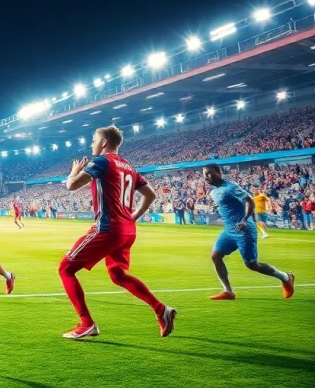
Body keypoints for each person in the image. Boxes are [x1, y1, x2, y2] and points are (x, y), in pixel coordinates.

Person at [58, 125, 176, 340]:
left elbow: (71, 186)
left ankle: (86, 323)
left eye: (94, 139)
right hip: (127, 231)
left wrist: (73, 171)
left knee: (65, 269)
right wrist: (134, 216)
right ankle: (161, 310)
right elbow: (150, 195)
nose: (92, 143)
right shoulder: (129, 167)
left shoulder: (102, 161)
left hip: (108, 229)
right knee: (118, 275)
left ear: (103, 143)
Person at [204, 165, 295, 300]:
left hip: (244, 229)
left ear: (218, 172)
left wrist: (245, 219)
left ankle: (286, 277)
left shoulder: (230, 187)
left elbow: (249, 201)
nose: (207, 177)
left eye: (210, 173)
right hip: (229, 230)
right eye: (205, 174)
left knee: (252, 265)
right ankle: (228, 291)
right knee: (215, 256)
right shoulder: (214, 191)